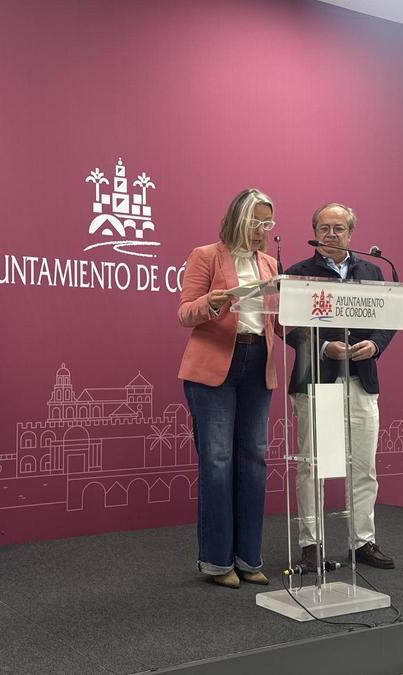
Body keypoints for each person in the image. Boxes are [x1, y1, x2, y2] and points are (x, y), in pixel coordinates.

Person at [177, 188, 281, 589]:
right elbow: (185, 313)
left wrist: (302, 313)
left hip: (258, 364)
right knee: (218, 462)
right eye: (258, 221)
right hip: (214, 368)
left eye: (269, 223)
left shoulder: (271, 264)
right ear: (239, 219)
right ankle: (218, 562)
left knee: (254, 459)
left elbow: (278, 323)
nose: (264, 230)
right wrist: (214, 302)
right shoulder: (206, 256)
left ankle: (249, 558)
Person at [286, 203, 396, 570]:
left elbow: (388, 318)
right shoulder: (299, 273)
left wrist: (376, 344)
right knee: (313, 465)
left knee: (364, 466)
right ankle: (311, 543)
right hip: (318, 380)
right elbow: (286, 326)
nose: (331, 234)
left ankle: (362, 541)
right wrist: (320, 346)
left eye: (339, 228)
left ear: (351, 233)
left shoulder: (372, 270)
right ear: (314, 231)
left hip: (362, 379)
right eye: (324, 227)